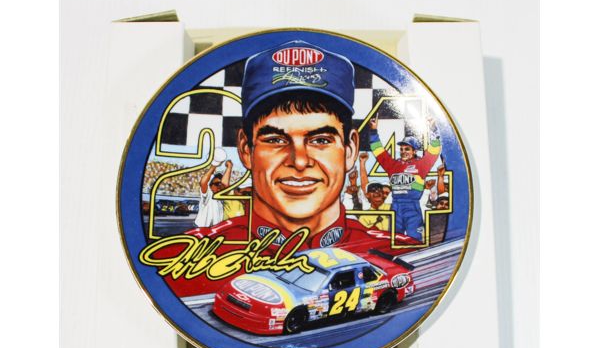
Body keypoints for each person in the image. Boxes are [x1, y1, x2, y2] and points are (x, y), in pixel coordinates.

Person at [145, 40, 422, 296]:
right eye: (275, 140)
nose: (299, 161)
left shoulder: (402, 253)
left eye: (320, 140)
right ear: (246, 149)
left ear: (349, 150)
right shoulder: (178, 260)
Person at [368, 113, 442, 241]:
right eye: (401, 149)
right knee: (394, 240)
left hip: (412, 207)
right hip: (395, 207)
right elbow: (378, 151)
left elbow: (434, 151)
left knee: (415, 240)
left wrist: (433, 129)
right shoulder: (393, 165)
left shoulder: (421, 165)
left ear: (414, 151)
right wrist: (373, 131)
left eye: (407, 149)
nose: (403, 152)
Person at [356, 152, 391, 231]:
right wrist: (362, 163)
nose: (377, 192)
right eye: (373, 190)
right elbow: (364, 185)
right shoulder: (364, 217)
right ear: (367, 195)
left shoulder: (391, 207)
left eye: (379, 190)